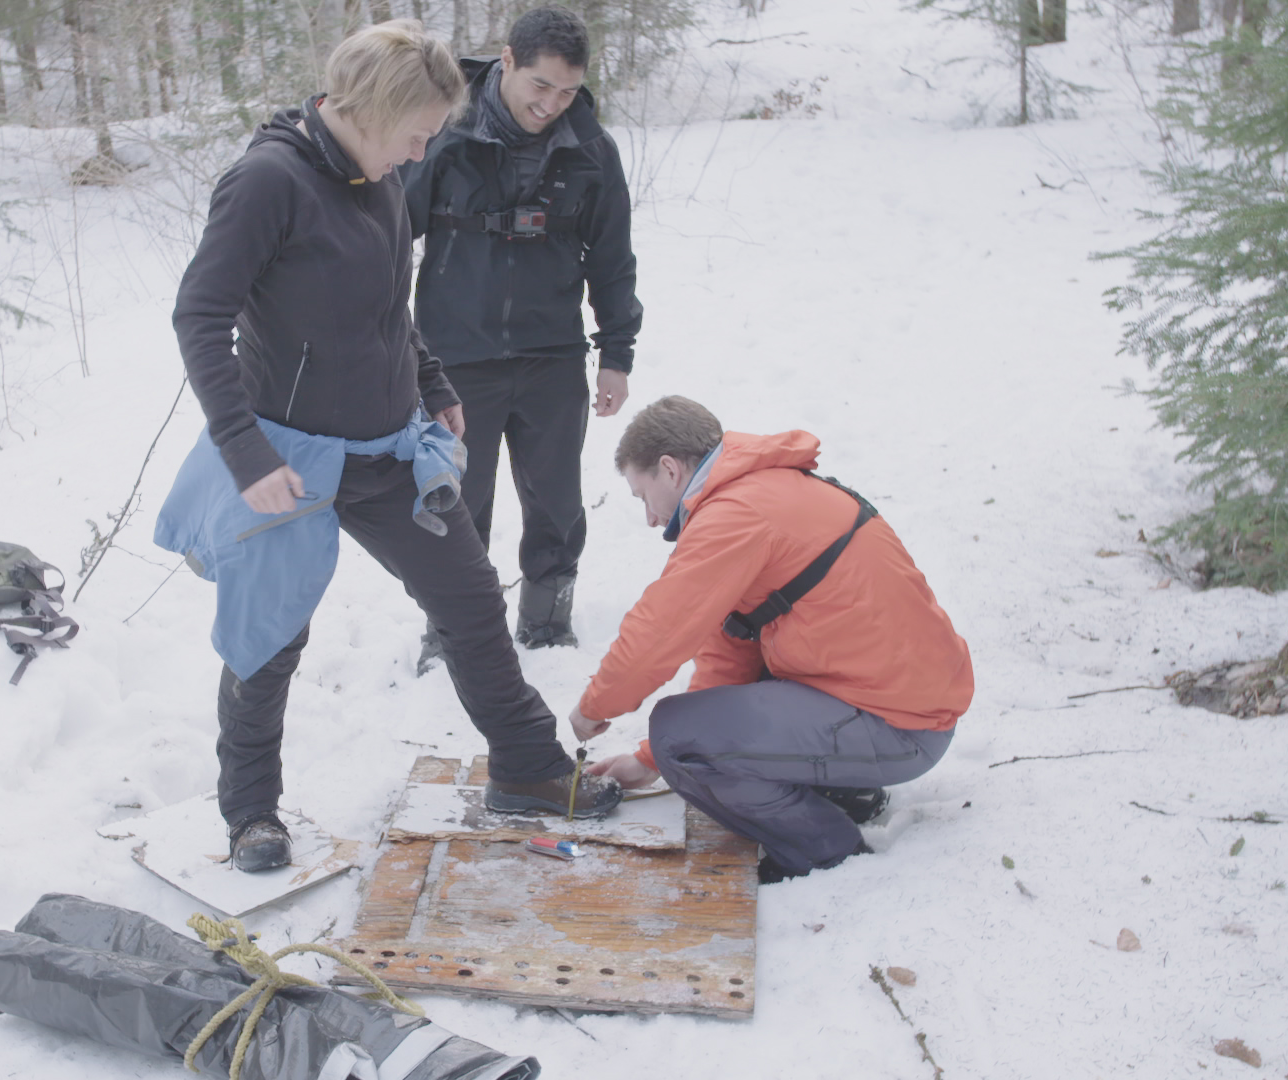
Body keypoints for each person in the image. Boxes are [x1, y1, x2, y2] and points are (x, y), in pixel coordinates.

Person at [168, 21, 622, 874]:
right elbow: (200, 317)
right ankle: (251, 815)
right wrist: (244, 452)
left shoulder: (378, 175)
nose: (422, 151)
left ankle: (527, 768)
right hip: (288, 458)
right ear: (371, 111)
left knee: (470, 599)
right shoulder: (267, 183)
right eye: (416, 134)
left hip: (385, 446)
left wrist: (434, 384)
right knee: (269, 638)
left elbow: (386, 308)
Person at [573, 397, 975, 883]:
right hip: (901, 705)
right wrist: (648, 761)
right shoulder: (762, 490)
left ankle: (827, 852)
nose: (651, 519)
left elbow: (657, 634)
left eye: (643, 496)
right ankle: (844, 790)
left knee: (682, 736)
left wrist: (592, 710)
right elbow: (731, 652)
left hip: (900, 726)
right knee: (687, 731)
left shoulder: (734, 515)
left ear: (670, 469)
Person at [401, 6, 643, 669]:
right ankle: (451, 631)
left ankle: (546, 620)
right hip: (454, 359)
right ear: (506, 60)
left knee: (556, 500)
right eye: (541, 86)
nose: (551, 105)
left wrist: (616, 353)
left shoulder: (591, 149)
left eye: (567, 92)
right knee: (455, 503)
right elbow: (387, 235)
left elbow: (613, 258)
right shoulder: (444, 135)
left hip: (552, 357)